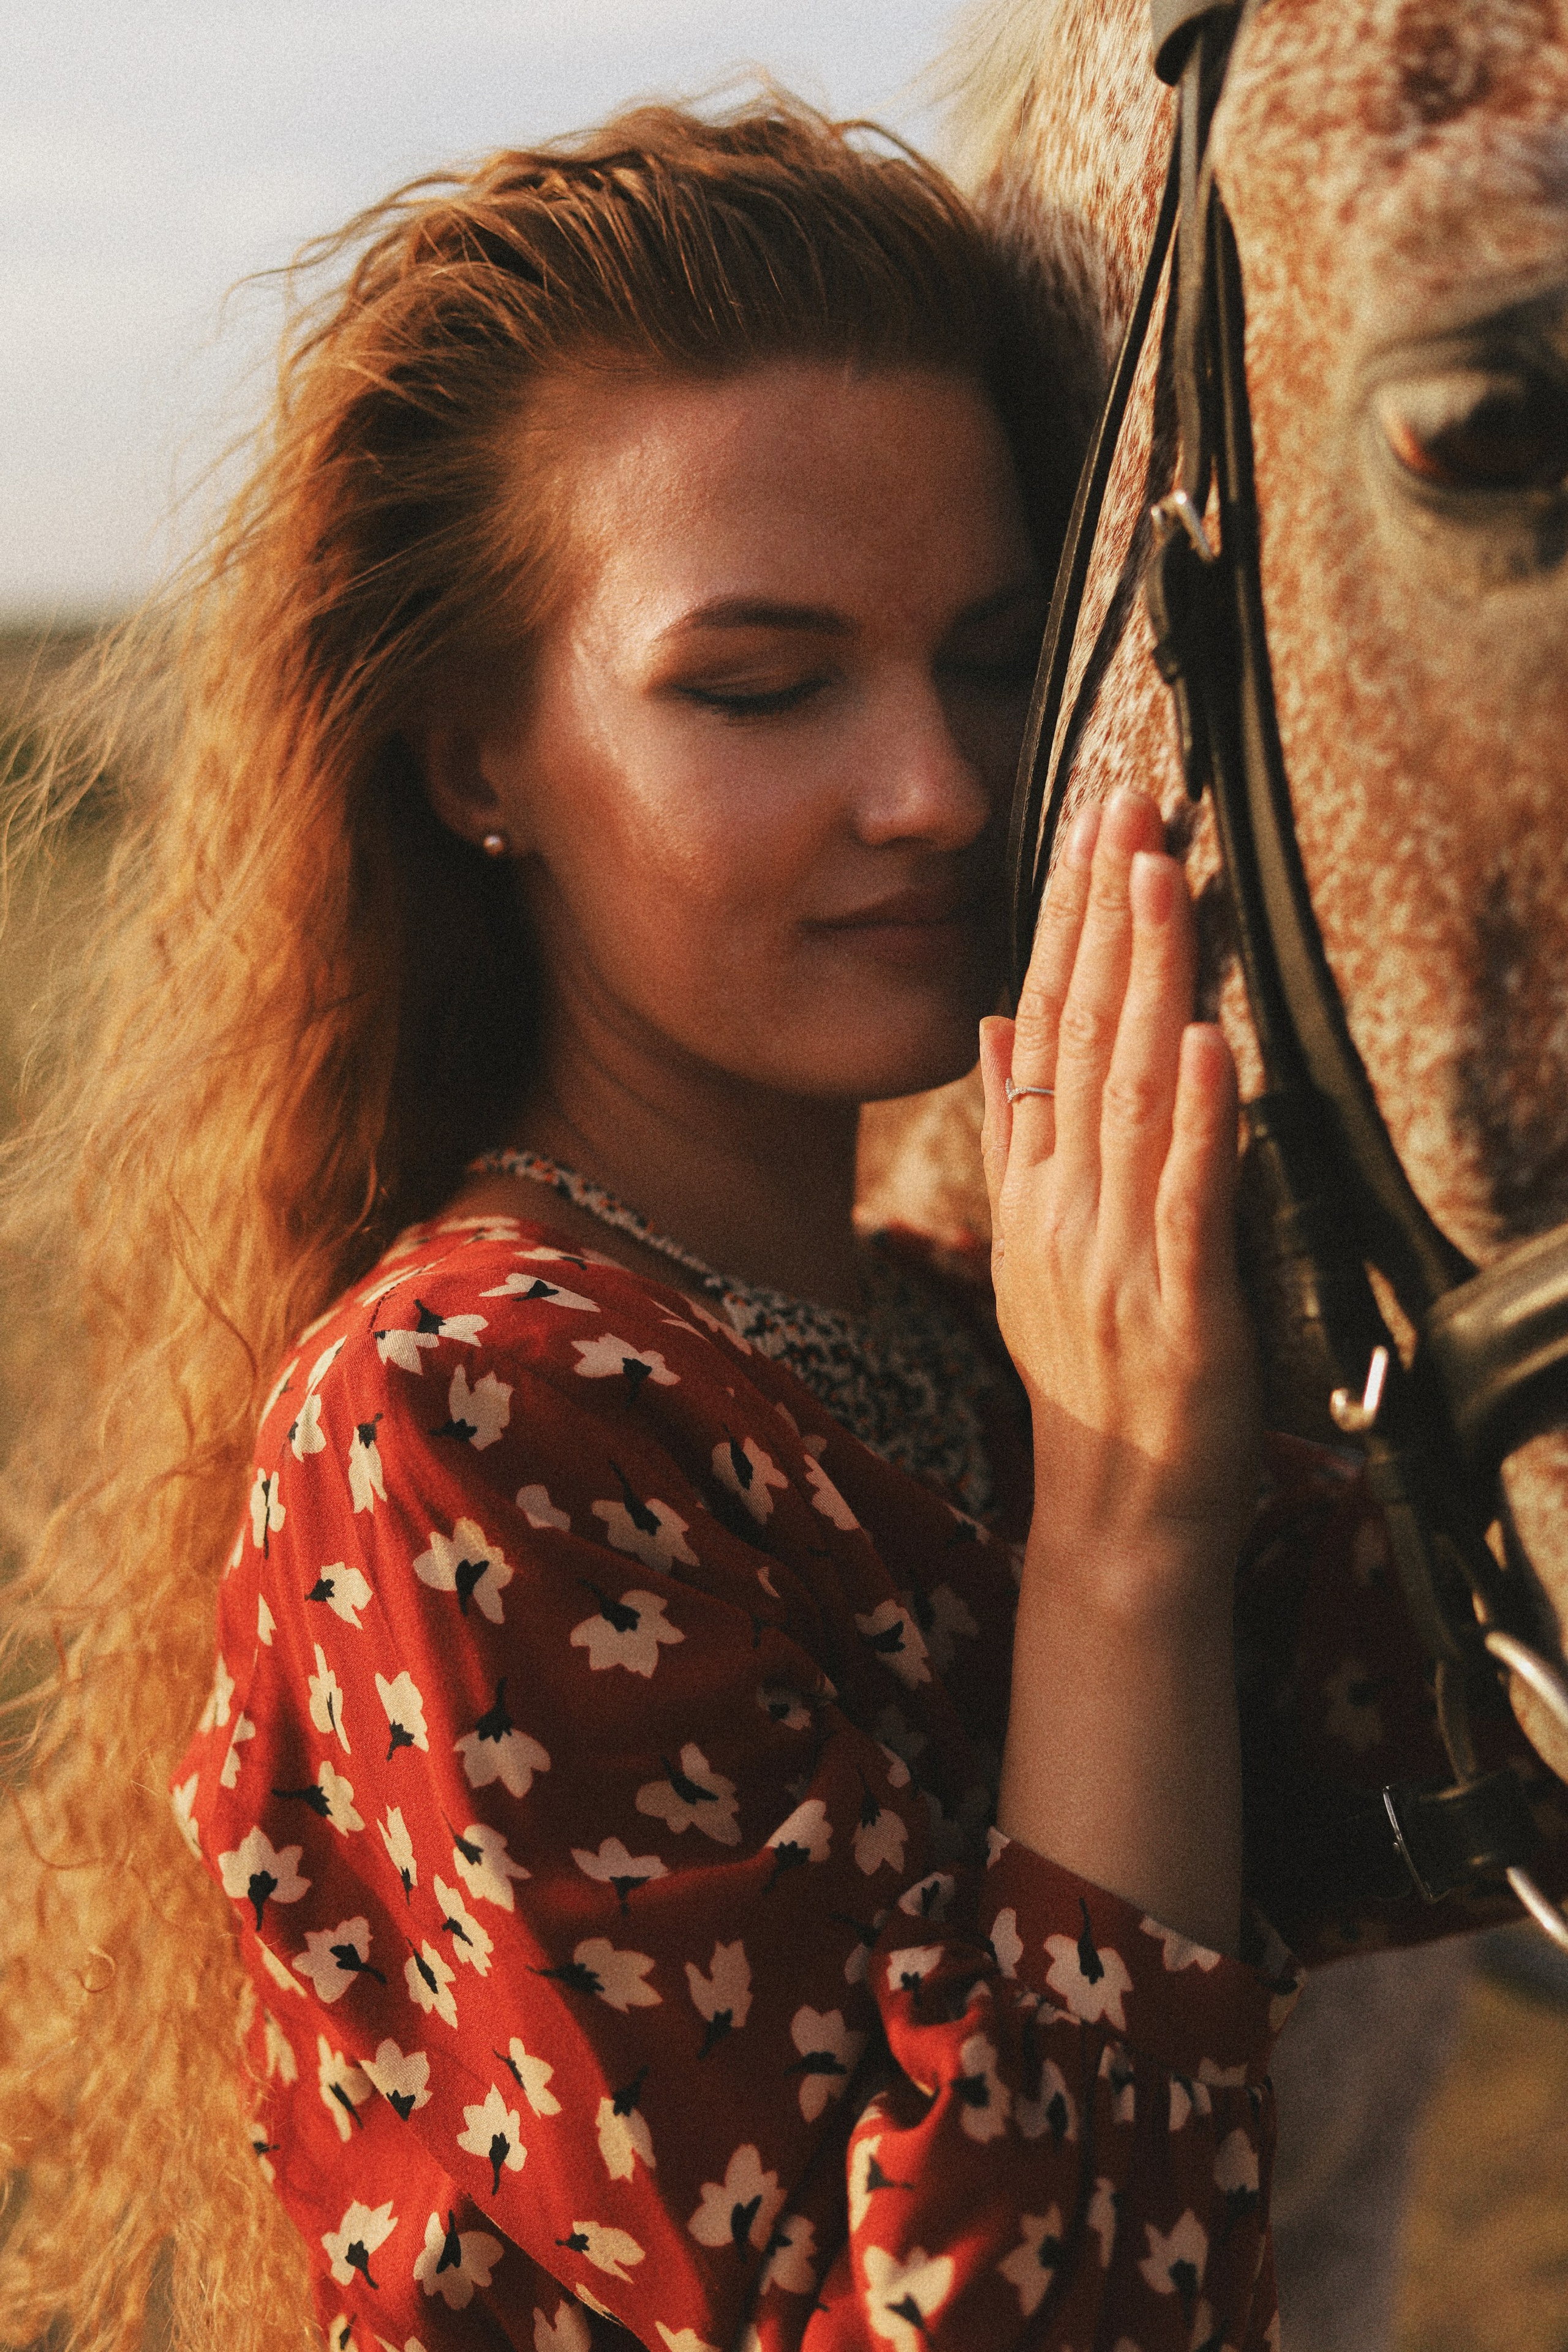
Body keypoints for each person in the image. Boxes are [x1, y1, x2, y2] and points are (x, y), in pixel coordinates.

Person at [0, 96, 1550, 2352]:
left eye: (1001, 656)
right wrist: (1123, 1531)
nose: (933, 789)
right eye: (759, 686)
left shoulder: (954, 1340)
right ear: (473, 766)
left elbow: (1468, 1705)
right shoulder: (454, 1426)